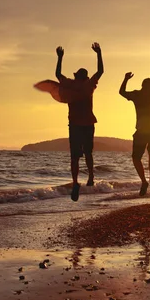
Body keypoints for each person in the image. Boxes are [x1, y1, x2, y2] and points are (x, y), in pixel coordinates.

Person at [55, 42, 104, 201]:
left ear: (76, 75)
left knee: (74, 157)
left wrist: (60, 58)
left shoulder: (70, 84)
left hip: (74, 124)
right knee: (88, 152)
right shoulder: (89, 86)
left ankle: (75, 182)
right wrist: (98, 53)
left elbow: (57, 74)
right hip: (88, 123)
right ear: (86, 77)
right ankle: (90, 177)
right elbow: (101, 71)